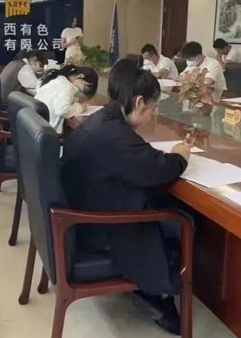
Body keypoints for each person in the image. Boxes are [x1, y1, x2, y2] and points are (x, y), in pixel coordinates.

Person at [61, 58, 192, 335]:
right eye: (154, 108)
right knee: (185, 221)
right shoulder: (114, 135)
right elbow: (160, 169)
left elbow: (136, 160)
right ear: (140, 102)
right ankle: (159, 294)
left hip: (78, 217)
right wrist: (181, 155)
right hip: (98, 230)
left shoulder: (100, 121)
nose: (154, 115)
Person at [35, 65, 98, 133]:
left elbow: (55, 96)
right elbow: (62, 111)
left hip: (36, 124)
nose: (82, 92)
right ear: (80, 76)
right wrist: (80, 108)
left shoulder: (57, 78)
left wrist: (76, 100)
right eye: (85, 88)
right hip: (49, 130)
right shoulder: (68, 86)